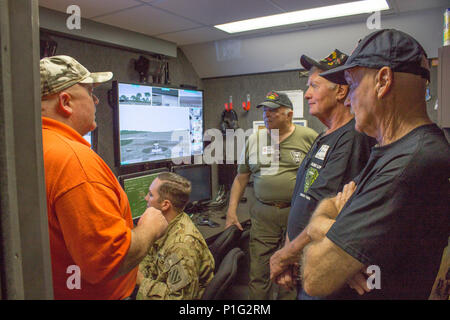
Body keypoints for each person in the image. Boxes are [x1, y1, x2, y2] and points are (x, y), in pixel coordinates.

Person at [300, 29, 450, 299]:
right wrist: (338, 233)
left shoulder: (410, 164)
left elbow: (315, 275)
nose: (347, 99)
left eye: (353, 84)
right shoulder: (390, 149)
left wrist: (325, 228)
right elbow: (332, 204)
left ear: (382, 81)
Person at [40, 55, 168, 299]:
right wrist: (149, 228)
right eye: (90, 92)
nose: (97, 100)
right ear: (65, 102)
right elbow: (108, 261)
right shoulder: (74, 161)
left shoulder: (33, 149)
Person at [269, 50, 376, 299]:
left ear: (341, 92)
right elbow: (302, 201)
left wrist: (284, 256)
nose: (307, 94)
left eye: (314, 86)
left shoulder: (352, 138)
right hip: (304, 259)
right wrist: (290, 252)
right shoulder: (325, 135)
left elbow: (326, 214)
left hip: (326, 268)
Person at [225, 91, 318, 299]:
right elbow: (241, 178)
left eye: (273, 111)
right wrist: (231, 212)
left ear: (289, 114)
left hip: (295, 214)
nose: (267, 115)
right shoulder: (254, 140)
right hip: (263, 214)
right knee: (259, 271)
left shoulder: (309, 137)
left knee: (292, 271)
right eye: (265, 111)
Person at [136, 172, 215, 300]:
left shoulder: (182, 246)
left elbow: (178, 298)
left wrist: (140, 281)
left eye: (150, 194)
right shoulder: (165, 224)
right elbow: (150, 259)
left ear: (165, 205)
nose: (146, 198)